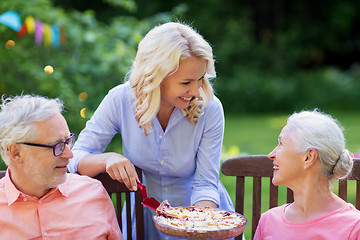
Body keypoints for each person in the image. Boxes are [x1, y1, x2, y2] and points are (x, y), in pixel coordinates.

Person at [68, 22, 234, 239]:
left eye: (201, 79)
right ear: (157, 76)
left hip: (202, 213)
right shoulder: (120, 100)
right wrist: (107, 159)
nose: (195, 91)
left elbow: (205, 183)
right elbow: (74, 158)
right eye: (186, 82)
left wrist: (198, 226)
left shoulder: (210, 108)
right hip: (144, 217)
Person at [0, 95, 123, 240]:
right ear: (16, 152)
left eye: (67, 141)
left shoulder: (93, 193)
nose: (69, 155)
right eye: (57, 146)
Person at [254, 110, 360, 240]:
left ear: (308, 157)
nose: (271, 154)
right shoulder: (268, 221)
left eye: (281, 144)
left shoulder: (354, 228)